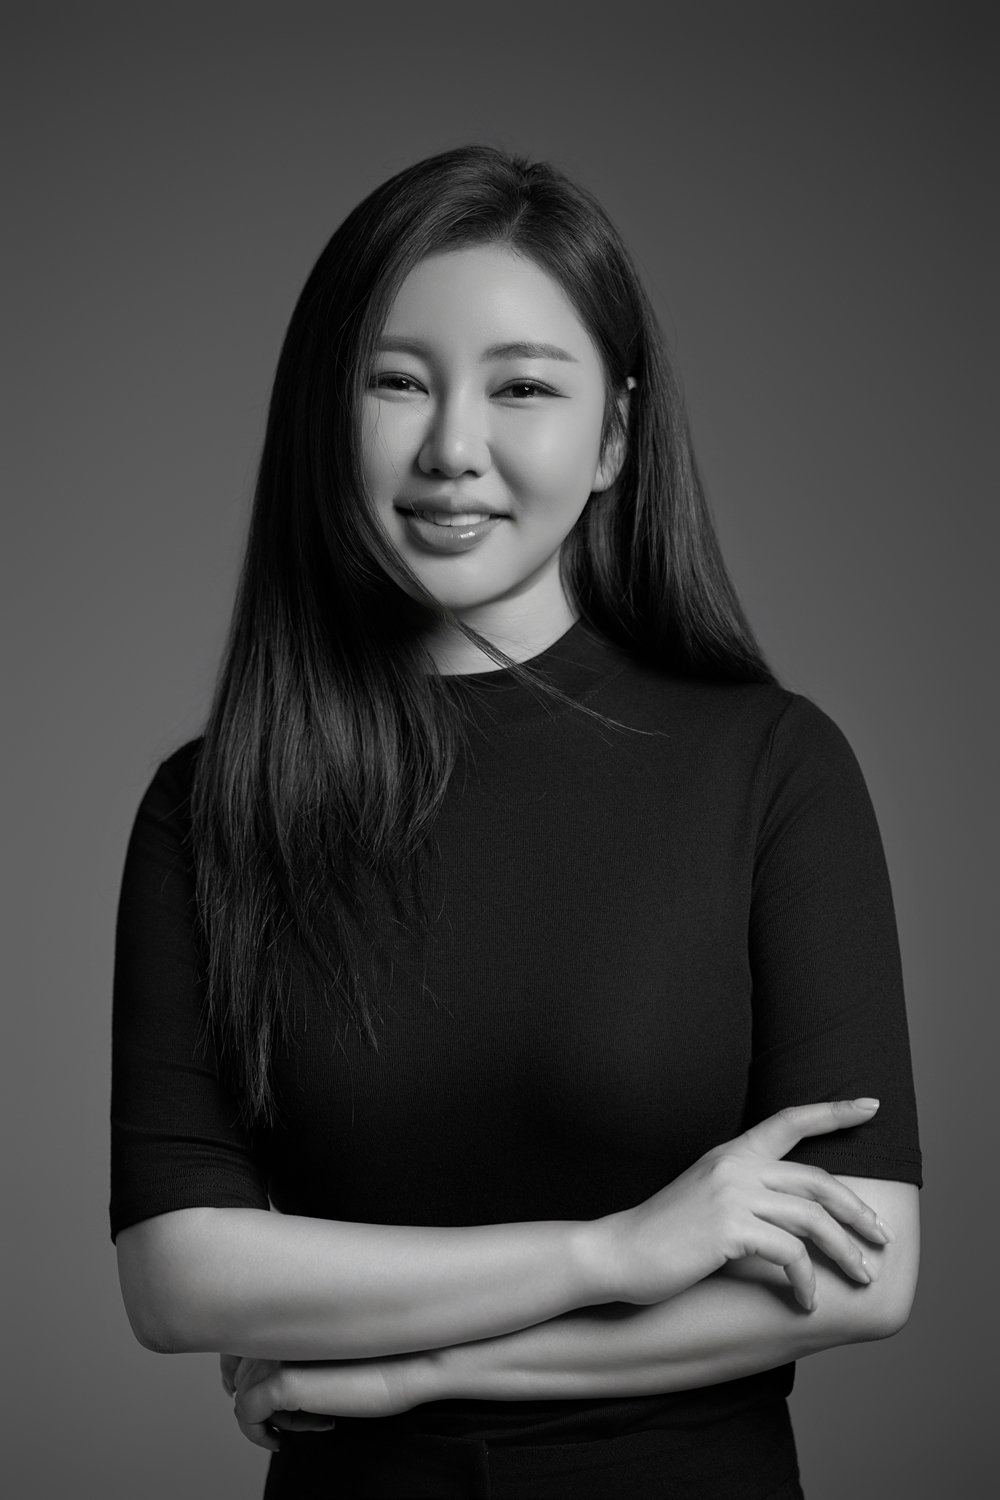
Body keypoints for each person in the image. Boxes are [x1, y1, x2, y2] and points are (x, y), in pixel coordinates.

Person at [111, 146, 921, 1500]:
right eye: (395, 382)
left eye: (524, 387)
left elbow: (865, 1272)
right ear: (325, 418)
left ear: (613, 438)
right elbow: (176, 1274)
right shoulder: (213, 807)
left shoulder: (772, 765)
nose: (451, 448)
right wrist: (613, 1254)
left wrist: (415, 1373)